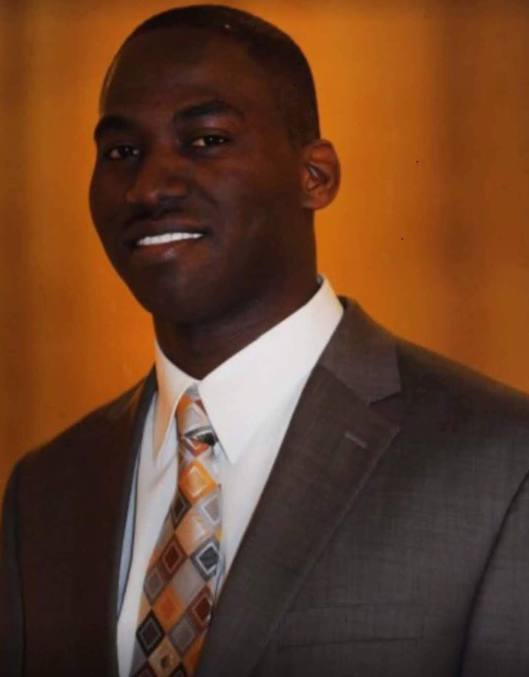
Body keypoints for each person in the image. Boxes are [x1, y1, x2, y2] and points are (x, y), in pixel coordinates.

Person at [2, 5, 529, 677]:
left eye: (206, 140)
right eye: (121, 152)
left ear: (316, 177)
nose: (149, 187)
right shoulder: (45, 490)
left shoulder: (500, 465)